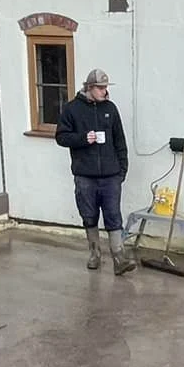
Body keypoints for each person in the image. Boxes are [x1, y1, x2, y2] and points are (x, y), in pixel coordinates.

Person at [55, 68, 134, 275]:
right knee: (89, 215)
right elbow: (61, 137)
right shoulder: (72, 109)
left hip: (110, 175)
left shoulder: (111, 108)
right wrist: (83, 139)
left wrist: (121, 170)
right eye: (100, 88)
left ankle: (119, 258)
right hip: (84, 175)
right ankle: (95, 254)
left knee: (113, 215)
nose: (104, 92)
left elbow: (120, 140)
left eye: (106, 88)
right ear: (89, 87)